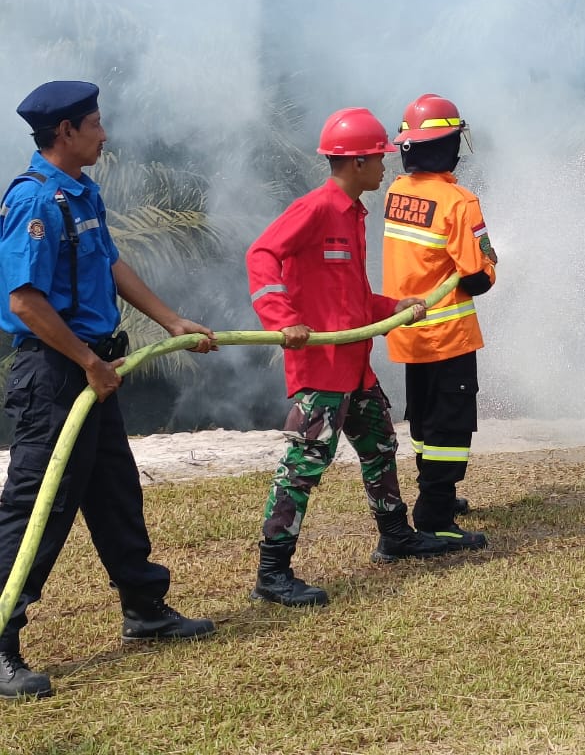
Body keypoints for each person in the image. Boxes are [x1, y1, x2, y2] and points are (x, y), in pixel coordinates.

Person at [0, 81, 217, 701]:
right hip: (54, 374)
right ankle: (2, 639)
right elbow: (25, 300)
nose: (104, 132)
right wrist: (88, 361)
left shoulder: (79, 193)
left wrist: (172, 319)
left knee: (115, 491)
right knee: (36, 507)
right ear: (64, 132)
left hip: (89, 371)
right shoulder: (36, 202)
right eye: (94, 123)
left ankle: (145, 608)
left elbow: (111, 263)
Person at [246, 106, 449, 610]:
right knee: (303, 466)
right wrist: (280, 318)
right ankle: (272, 574)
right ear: (356, 163)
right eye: (379, 158)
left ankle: (395, 536)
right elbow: (261, 255)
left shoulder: (353, 214)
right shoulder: (317, 208)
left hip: (354, 367)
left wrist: (392, 307)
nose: (387, 166)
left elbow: (349, 298)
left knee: (380, 446)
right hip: (321, 372)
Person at [382, 94, 497, 551]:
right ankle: (435, 518)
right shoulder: (459, 201)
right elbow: (478, 276)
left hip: (409, 332)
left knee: (426, 422)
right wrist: (489, 265)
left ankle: (437, 492)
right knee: (450, 427)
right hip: (448, 334)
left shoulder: (396, 193)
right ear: (449, 145)